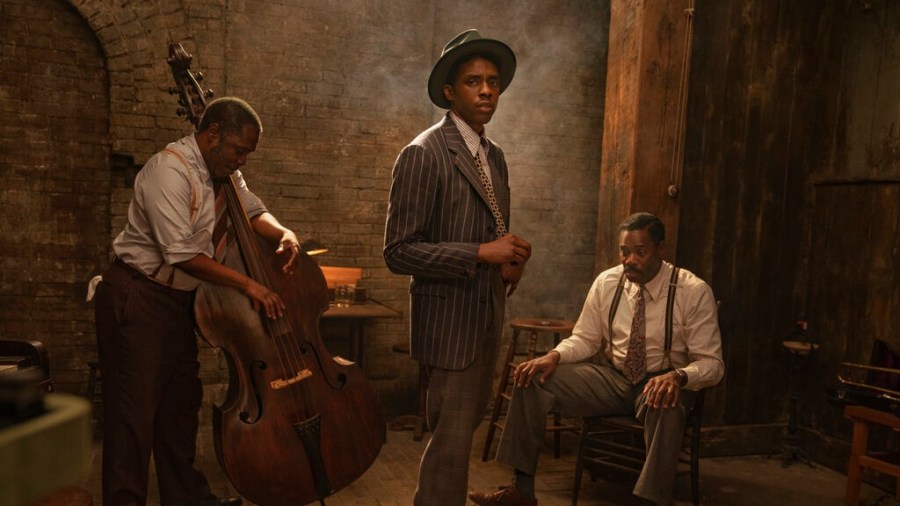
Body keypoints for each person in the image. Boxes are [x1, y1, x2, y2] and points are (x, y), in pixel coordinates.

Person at [93, 97, 304, 506]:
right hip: (138, 295)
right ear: (212, 136)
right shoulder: (168, 172)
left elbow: (253, 211)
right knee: (132, 418)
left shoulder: (224, 172)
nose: (243, 161)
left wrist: (285, 234)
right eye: (240, 150)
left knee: (179, 408)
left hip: (176, 302)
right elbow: (182, 253)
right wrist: (249, 285)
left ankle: (187, 499)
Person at [470, 212, 725, 506]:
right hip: (615, 381)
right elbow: (585, 338)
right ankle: (521, 491)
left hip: (664, 383)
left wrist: (678, 376)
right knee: (533, 378)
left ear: (660, 249)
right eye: (624, 251)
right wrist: (554, 355)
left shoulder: (692, 291)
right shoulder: (608, 282)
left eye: (640, 252)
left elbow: (712, 364)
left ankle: (652, 500)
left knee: (664, 402)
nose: (629, 260)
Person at [383, 29, 532, 506]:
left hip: (484, 312)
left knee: (460, 434)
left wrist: (509, 260)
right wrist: (479, 254)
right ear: (450, 91)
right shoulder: (424, 153)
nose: (487, 90)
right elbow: (399, 251)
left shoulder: (495, 156)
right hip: (449, 322)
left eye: (492, 81)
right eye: (473, 81)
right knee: (449, 444)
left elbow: (491, 230)